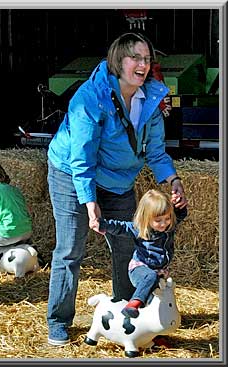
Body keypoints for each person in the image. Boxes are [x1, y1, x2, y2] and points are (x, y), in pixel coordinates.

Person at [45, 32, 188, 346]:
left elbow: (156, 152)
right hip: (73, 174)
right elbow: (81, 157)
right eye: (135, 58)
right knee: (71, 249)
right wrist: (89, 201)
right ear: (117, 62)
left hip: (118, 180)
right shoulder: (88, 98)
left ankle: (130, 317)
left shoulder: (149, 97)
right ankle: (58, 320)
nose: (143, 64)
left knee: (129, 248)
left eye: (147, 59)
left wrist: (173, 180)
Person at [91, 189, 187, 318]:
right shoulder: (139, 228)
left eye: (167, 218)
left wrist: (179, 205)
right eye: (158, 220)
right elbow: (121, 227)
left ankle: (154, 333)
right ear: (146, 217)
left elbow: (180, 215)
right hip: (139, 269)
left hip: (159, 272)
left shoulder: (168, 228)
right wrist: (103, 225)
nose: (164, 223)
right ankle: (133, 304)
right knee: (150, 277)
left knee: (155, 304)